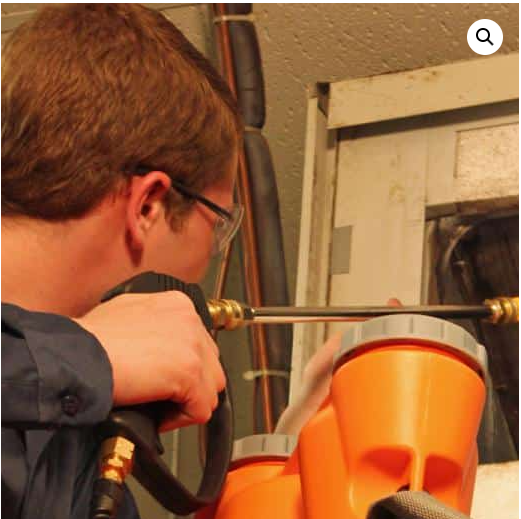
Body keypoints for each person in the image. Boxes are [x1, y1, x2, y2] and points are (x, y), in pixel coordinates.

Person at [2, 4, 243, 519]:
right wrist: (89, 357)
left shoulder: (75, 452)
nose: (208, 264)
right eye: (217, 221)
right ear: (149, 205)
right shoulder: (71, 372)